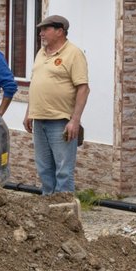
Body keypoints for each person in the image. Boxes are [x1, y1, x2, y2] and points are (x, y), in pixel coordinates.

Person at [23, 14, 90, 195]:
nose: (41, 34)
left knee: (63, 171)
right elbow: (35, 82)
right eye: (40, 30)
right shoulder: (41, 53)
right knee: (44, 169)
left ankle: (64, 211)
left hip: (60, 121)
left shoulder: (73, 54)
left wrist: (75, 120)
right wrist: (29, 112)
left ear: (60, 31)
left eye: (46, 29)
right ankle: (48, 211)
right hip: (40, 119)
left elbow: (83, 88)